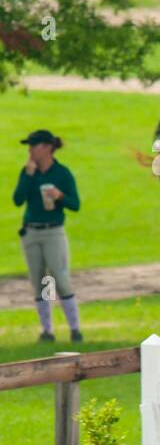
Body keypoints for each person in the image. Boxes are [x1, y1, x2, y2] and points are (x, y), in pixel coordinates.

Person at [12, 130, 82, 342]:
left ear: (46, 148)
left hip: (53, 231)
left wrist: (60, 196)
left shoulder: (61, 173)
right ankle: (47, 330)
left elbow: (75, 204)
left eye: (33, 145)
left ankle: (75, 328)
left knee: (59, 278)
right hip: (31, 232)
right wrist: (28, 175)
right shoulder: (28, 172)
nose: (30, 150)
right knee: (41, 281)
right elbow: (17, 199)